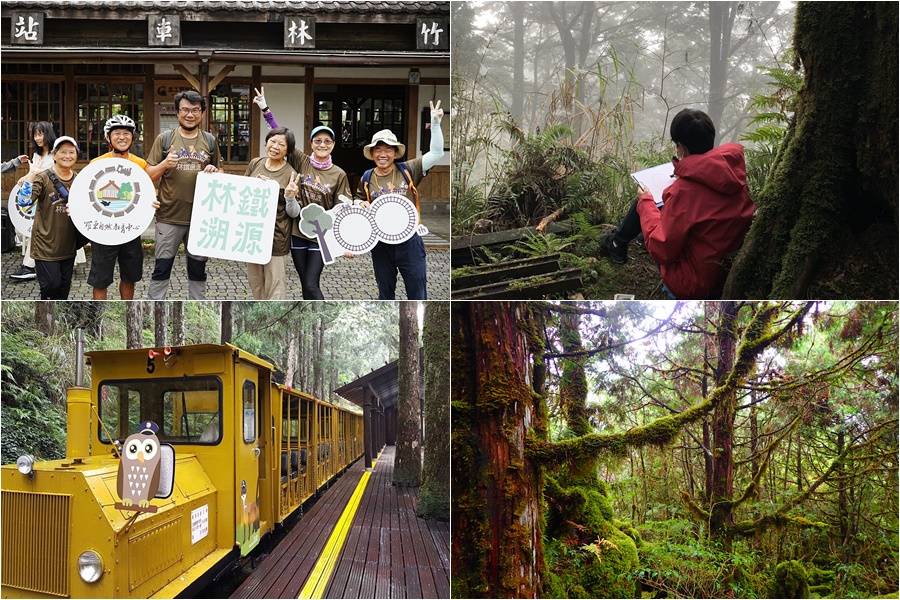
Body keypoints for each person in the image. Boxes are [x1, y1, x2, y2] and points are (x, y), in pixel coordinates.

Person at [600, 108, 754, 299]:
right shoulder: (733, 174)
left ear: (681, 147)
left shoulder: (683, 191)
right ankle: (622, 241)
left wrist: (645, 202)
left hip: (694, 285)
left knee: (646, 198)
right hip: (725, 269)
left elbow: (661, 250)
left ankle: (618, 243)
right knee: (653, 202)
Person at [253, 87, 353, 299]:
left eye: (327, 141)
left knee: (311, 284)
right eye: (317, 141)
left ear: (333, 145)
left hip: (321, 237)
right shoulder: (301, 161)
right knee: (304, 284)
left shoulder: (339, 174)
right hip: (298, 233)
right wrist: (264, 107)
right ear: (311, 144)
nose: (322, 145)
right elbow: (279, 135)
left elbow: (344, 207)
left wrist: (345, 241)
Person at [355, 100, 444, 300]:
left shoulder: (409, 169)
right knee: (385, 293)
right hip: (381, 243)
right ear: (372, 153)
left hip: (409, 241)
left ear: (395, 153)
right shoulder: (367, 177)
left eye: (388, 149)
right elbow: (359, 200)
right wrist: (359, 204)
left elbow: (437, 153)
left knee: (417, 291)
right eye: (378, 150)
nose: (382, 154)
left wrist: (435, 124)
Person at [145, 90, 221, 300]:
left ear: (202, 113)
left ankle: (199, 306)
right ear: (178, 113)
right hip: (169, 216)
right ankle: (155, 303)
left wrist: (216, 172)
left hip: (201, 218)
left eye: (195, 110)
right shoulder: (165, 139)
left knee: (198, 270)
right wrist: (164, 163)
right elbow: (148, 174)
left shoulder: (210, 141)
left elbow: (221, 173)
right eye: (185, 110)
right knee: (162, 268)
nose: (190, 114)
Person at [87, 115, 165, 300]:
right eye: (117, 133)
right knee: (100, 280)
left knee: (130, 277)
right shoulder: (96, 164)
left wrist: (151, 203)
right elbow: (86, 195)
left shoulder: (140, 164)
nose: (122, 137)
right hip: (103, 230)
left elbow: (146, 193)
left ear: (132, 137)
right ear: (108, 137)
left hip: (130, 230)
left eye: (126, 133)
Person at [15, 136, 81, 300]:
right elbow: (24, 203)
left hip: (68, 246)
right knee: (51, 286)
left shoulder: (79, 179)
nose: (67, 156)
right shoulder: (43, 177)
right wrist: (31, 174)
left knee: (63, 292)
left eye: (71, 152)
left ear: (76, 155)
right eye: (63, 152)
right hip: (45, 247)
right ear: (54, 155)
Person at [243, 127, 302, 299]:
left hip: (276, 237)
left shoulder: (291, 173)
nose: (275, 147)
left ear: (288, 149)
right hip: (252, 235)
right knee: (256, 284)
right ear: (266, 142)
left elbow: (293, 213)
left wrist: (288, 195)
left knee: (275, 287)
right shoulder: (255, 163)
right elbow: (241, 195)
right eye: (272, 141)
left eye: (281, 144)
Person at [10, 122, 57, 281]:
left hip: (53, 198)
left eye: (40, 134)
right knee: (34, 230)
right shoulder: (37, 155)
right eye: (35, 135)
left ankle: (29, 266)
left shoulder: (55, 154)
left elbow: (51, 172)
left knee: (38, 230)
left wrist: (32, 175)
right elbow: (34, 173)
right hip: (38, 198)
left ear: (48, 134)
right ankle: (31, 265)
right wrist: (26, 177)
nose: (38, 138)